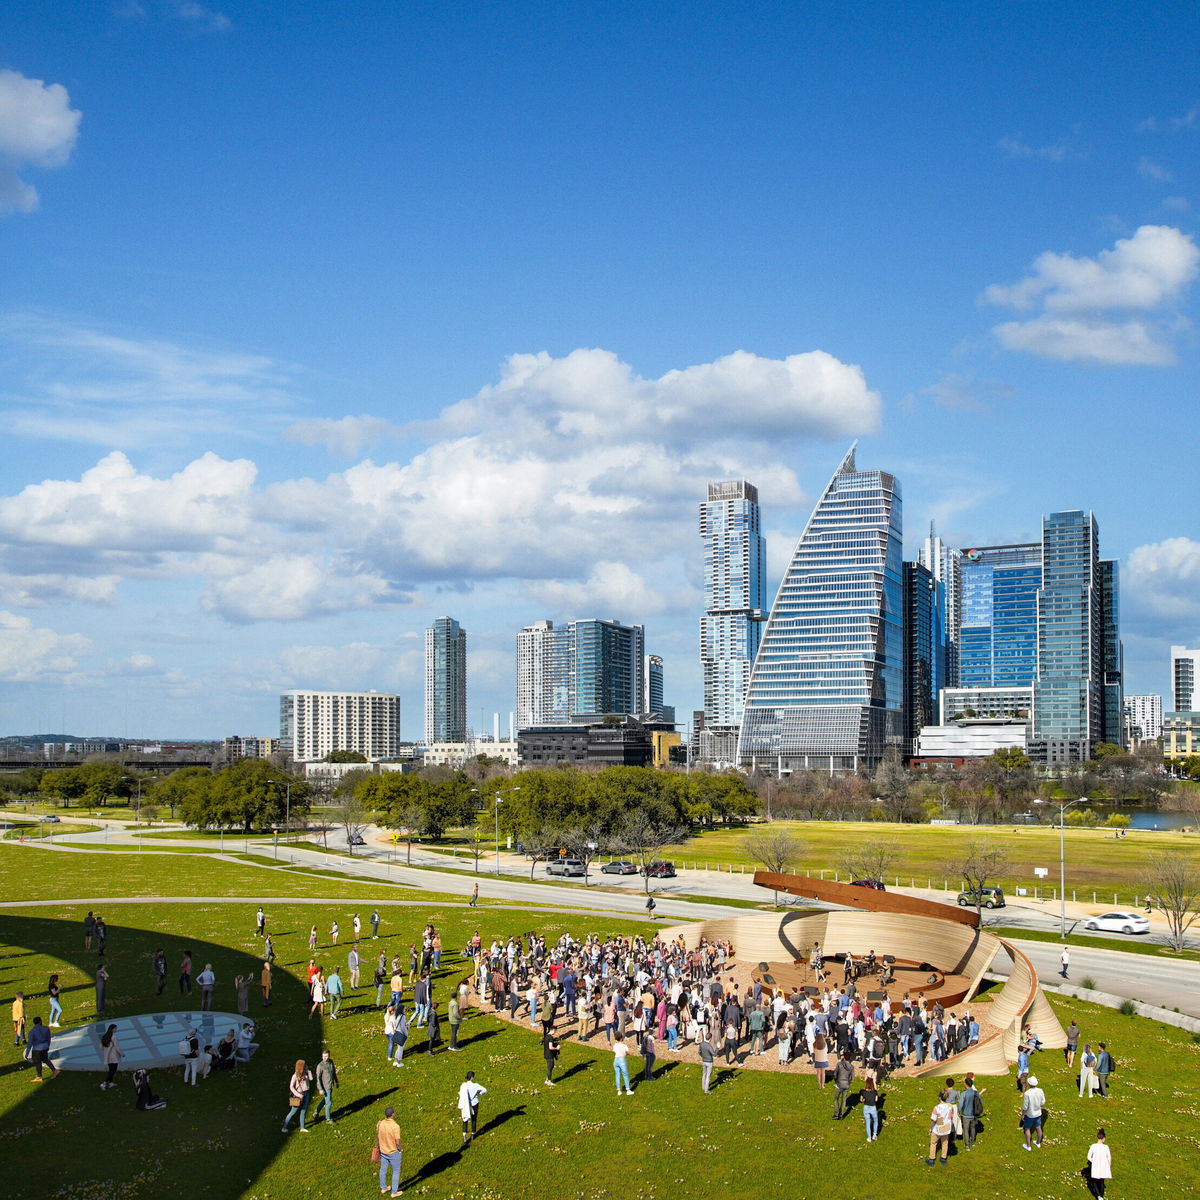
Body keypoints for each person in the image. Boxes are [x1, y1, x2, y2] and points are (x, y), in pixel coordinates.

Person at [375, 1105, 402, 1197]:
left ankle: (384, 1188)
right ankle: (394, 1192)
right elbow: (397, 1142)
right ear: (393, 1114)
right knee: (396, 1171)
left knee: (383, 1170)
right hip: (393, 1152)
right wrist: (400, 1149)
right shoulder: (395, 1126)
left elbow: (378, 1135)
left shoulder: (380, 1123)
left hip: (383, 1151)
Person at [281, 1060, 312, 1132]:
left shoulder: (305, 1074)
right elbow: (291, 1087)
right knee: (292, 1112)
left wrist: (308, 1071)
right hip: (299, 1095)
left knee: (303, 1110)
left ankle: (302, 1127)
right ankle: (284, 1127)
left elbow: (311, 1079)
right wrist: (298, 1095)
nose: (305, 1067)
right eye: (304, 1066)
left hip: (306, 1093)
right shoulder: (295, 1076)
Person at [458, 1070, 486, 1147]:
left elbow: (460, 1093)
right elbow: (485, 1090)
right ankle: (473, 1134)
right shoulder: (476, 1085)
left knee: (465, 1119)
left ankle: (464, 1136)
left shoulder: (463, 1085)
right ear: (472, 1078)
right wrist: (479, 1093)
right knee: (474, 1119)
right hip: (474, 1103)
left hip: (466, 1104)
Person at [926, 1088, 954, 1165]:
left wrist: (930, 1128)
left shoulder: (936, 1108)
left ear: (939, 1097)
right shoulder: (950, 1106)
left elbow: (933, 1120)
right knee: (945, 1143)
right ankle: (943, 1158)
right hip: (946, 1128)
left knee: (933, 1143)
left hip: (937, 1129)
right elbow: (951, 1116)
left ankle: (931, 1159)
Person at [27, 1016, 58, 1081]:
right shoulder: (46, 1028)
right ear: (40, 1021)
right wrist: (47, 1046)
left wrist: (27, 1053)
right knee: (46, 1059)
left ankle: (39, 1076)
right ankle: (54, 1071)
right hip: (45, 1047)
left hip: (37, 1049)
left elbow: (30, 1043)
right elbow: (48, 1039)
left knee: (38, 1062)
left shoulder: (32, 1031)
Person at [313, 1049, 339, 1125]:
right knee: (329, 1102)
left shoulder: (331, 1062)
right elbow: (317, 1078)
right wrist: (320, 1089)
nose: (325, 1058)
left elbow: (333, 1072)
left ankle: (316, 1112)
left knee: (325, 1100)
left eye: (326, 1056)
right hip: (325, 1087)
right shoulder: (320, 1066)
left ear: (329, 1056)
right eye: (323, 1056)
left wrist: (336, 1081)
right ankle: (328, 1119)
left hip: (330, 1085)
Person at [959, 1072, 983, 1150]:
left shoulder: (964, 1094)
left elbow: (961, 1105)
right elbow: (980, 1102)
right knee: (973, 1128)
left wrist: (959, 1112)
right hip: (974, 1114)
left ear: (966, 1084)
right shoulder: (975, 1093)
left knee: (966, 1130)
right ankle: (973, 1142)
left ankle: (967, 1145)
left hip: (966, 1115)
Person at [1086, 1128, 1112, 1198]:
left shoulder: (1093, 1146)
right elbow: (1109, 1158)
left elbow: (1089, 1157)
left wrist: (1093, 1161)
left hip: (1096, 1166)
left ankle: (1098, 1196)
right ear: (1103, 1138)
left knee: (1094, 1180)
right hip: (1103, 1166)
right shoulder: (1106, 1147)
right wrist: (1108, 1165)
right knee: (1101, 1181)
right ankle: (1101, 1196)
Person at [1021, 1075, 1046, 1150]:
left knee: (1027, 1128)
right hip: (1038, 1113)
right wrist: (1040, 1107)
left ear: (1029, 1084)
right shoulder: (1040, 1090)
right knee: (1038, 1128)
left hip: (1030, 1114)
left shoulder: (1027, 1093)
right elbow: (1043, 1102)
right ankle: (1038, 1143)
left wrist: (1023, 1114)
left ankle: (1028, 1146)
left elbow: (1025, 1106)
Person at [100, 1023, 123, 1090]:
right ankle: (104, 1083)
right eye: (115, 1028)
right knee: (113, 1071)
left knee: (111, 1070)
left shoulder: (104, 1036)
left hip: (107, 1056)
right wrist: (122, 1054)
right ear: (112, 1029)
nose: (116, 1030)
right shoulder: (113, 1037)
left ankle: (111, 1083)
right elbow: (117, 1047)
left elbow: (101, 1047)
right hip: (113, 1057)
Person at [833, 1054, 855, 1119]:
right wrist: (849, 1082)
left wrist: (836, 1081)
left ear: (844, 1057)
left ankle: (836, 1114)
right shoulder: (851, 1067)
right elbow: (852, 1078)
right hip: (846, 1085)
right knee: (844, 1100)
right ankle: (841, 1114)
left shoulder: (839, 1064)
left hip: (839, 1084)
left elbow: (835, 1074)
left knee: (835, 1099)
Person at [861, 1073, 880, 1142]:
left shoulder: (863, 1092)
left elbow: (861, 1100)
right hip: (873, 1107)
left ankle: (869, 1137)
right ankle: (874, 1135)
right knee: (875, 1120)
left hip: (866, 1107)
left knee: (868, 1122)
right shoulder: (874, 1092)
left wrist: (864, 1099)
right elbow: (876, 1099)